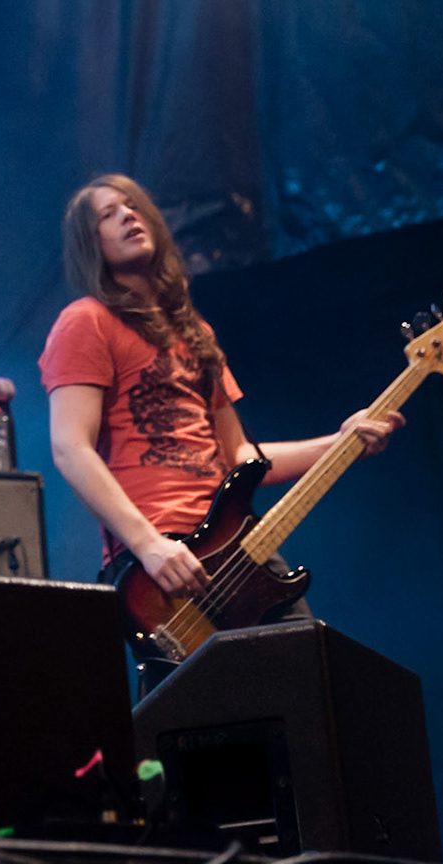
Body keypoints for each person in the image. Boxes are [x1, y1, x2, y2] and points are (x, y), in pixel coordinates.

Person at [39, 175, 400, 692]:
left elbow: (239, 457)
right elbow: (68, 447)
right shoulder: (87, 322)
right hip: (161, 559)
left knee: (306, 696)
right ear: (88, 243)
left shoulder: (196, 334)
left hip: (237, 548)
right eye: (107, 214)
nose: (127, 216)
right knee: (201, 722)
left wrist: (343, 443)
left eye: (134, 207)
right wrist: (149, 546)